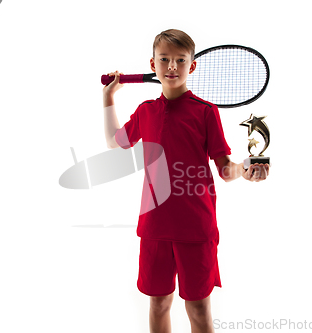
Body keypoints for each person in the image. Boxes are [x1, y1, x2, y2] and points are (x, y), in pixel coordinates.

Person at [102, 29, 270, 333]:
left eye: (180, 60)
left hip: (196, 227)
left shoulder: (206, 112)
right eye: (164, 59)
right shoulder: (145, 111)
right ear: (153, 64)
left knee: (199, 309)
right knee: (159, 304)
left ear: (191, 66)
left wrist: (244, 170)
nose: (171, 67)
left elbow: (224, 168)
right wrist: (108, 98)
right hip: (154, 226)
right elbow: (115, 141)